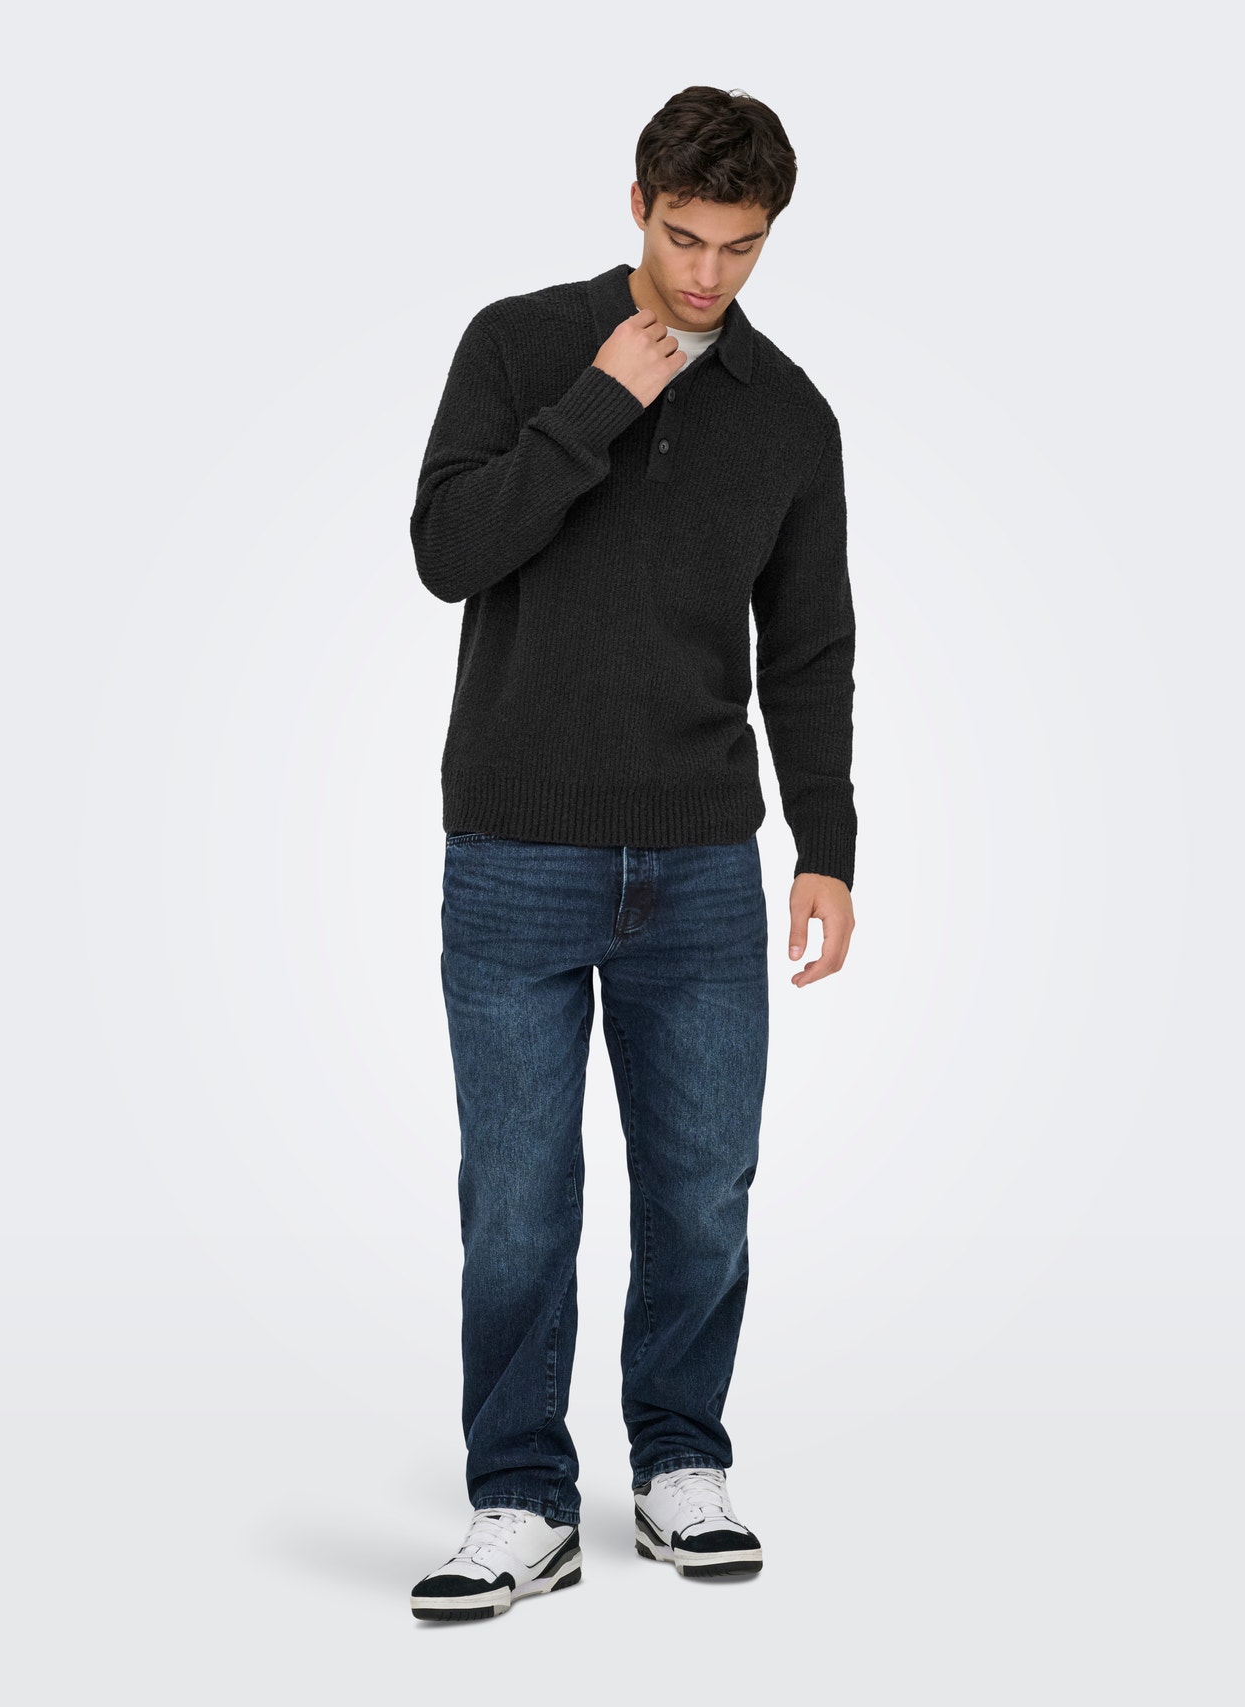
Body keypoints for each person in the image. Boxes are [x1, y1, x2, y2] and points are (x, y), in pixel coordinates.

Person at [407, 84, 857, 1622]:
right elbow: (449, 554)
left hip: (700, 867)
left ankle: (679, 1463)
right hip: (516, 851)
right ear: (637, 205)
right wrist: (599, 399)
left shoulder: (789, 414)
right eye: (684, 237)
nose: (709, 276)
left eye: (741, 247)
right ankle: (522, 1499)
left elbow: (810, 647)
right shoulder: (520, 345)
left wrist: (828, 844)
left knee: (704, 1189)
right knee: (518, 1201)